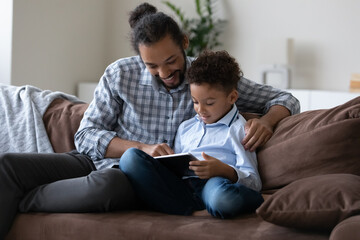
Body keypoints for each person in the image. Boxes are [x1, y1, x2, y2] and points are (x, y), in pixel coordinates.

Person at [0, 2, 299, 239]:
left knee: (106, 183)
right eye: (152, 65)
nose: (165, 72)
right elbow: (87, 134)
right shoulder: (120, 74)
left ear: (184, 43)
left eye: (171, 61)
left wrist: (269, 121)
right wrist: (143, 147)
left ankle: (20, 200)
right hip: (91, 160)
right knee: (8, 166)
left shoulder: (206, 79)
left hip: (130, 177)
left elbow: (286, 99)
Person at [119, 50, 264, 218]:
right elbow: (177, 165)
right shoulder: (186, 127)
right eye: (195, 102)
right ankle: (193, 211)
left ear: (232, 97)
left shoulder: (240, 129)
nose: (200, 110)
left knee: (223, 199)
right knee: (129, 158)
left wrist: (224, 170)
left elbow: (254, 181)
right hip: (183, 186)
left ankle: (189, 209)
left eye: (209, 103)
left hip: (215, 184)